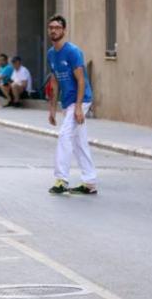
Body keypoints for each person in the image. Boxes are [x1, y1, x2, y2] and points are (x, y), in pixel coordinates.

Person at [46, 15, 97, 195]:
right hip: (68, 102)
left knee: (64, 135)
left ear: (64, 30)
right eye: (51, 27)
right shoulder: (51, 53)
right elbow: (54, 82)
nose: (53, 30)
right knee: (79, 142)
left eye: (57, 27)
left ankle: (61, 179)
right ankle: (90, 182)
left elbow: (81, 81)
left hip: (81, 100)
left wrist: (78, 107)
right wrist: (52, 109)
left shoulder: (72, 52)